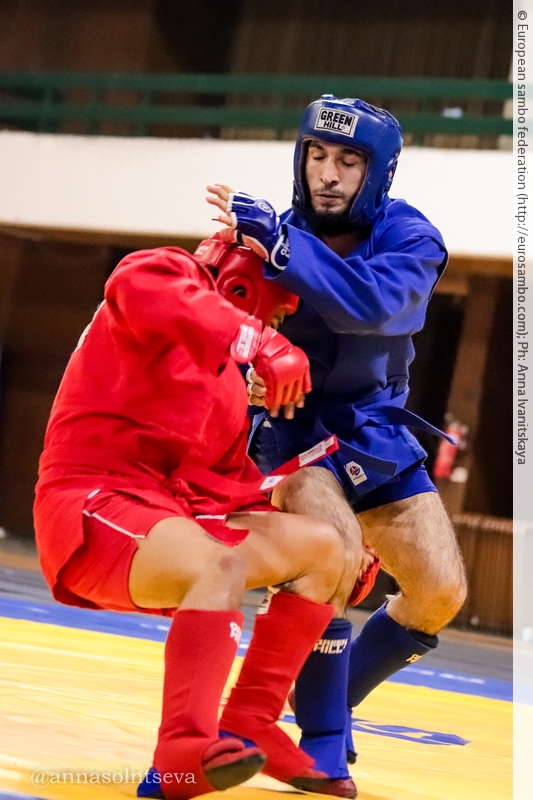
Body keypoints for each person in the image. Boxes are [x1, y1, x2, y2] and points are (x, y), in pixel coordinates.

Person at [33, 240, 360, 800]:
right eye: (279, 313)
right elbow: (155, 295)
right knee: (219, 564)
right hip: (91, 500)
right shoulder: (159, 271)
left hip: (169, 511)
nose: (280, 324)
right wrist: (258, 340)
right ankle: (180, 753)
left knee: (328, 548)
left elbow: (220, 486)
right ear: (240, 286)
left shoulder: (228, 381)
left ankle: (249, 720)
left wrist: (284, 510)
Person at [207, 94, 468, 787]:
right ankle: (322, 737)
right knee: (337, 554)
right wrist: (241, 368)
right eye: (316, 155)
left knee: (440, 591)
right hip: (290, 432)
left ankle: (328, 696)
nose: (327, 173)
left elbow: (371, 307)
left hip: (375, 430)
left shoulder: (412, 238)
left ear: (378, 173)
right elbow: (212, 330)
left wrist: (281, 248)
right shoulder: (259, 241)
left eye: (348, 161)